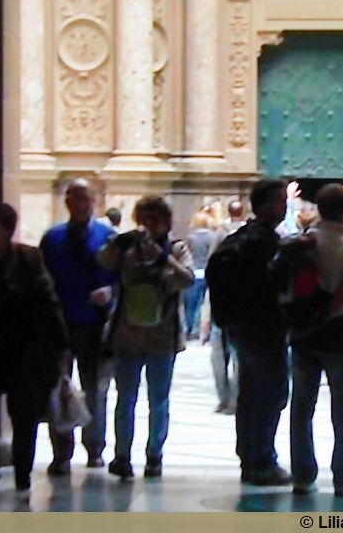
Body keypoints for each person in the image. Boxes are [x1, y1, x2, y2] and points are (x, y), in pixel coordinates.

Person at [0, 203, 68, 498]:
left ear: (8, 229)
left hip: (24, 352)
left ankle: (23, 473)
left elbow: (48, 301)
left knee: (25, 416)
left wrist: (59, 345)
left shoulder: (29, 259)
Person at [97, 196, 194, 479]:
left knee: (158, 399)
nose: (150, 226)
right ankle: (122, 455)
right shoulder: (129, 248)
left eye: (156, 220)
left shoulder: (176, 248)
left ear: (166, 221)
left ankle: (154, 455)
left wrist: (164, 258)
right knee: (125, 398)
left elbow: (188, 279)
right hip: (128, 334)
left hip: (162, 336)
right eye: (145, 219)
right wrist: (119, 243)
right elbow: (102, 260)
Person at [290, 184, 343, 497]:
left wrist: (303, 324)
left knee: (301, 407)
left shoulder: (299, 244)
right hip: (341, 335)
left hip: (303, 335)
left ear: (319, 210)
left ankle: (303, 475)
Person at [40, 179, 117, 474]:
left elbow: (120, 276)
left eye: (85, 198)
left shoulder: (107, 237)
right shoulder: (52, 239)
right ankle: (62, 451)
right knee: (59, 388)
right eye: (74, 199)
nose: (80, 204)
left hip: (96, 325)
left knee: (95, 389)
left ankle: (95, 447)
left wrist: (110, 291)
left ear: (94, 201)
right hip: (59, 324)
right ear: (67, 202)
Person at [222, 179, 292, 486]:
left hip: (242, 327)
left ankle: (249, 457)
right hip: (266, 327)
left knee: (249, 393)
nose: (284, 206)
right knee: (270, 394)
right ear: (266, 205)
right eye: (280, 200)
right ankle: (262, 459)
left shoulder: (237, 238)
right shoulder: (267, 244)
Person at [184, 211, 216, 340]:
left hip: (194, 272)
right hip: (206, 272)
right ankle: (199, 329)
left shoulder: (190, 238)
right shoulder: (212, 237)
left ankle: (190, 328)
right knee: (203, 303)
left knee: (191, 303)